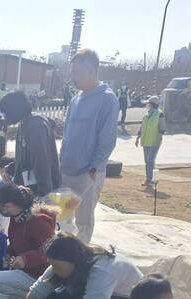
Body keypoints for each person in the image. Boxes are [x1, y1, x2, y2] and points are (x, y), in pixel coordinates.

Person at [58, 49, 119, 243]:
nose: (72, 77)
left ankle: (80, 256)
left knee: (84, 218)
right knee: (63, 215)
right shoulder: (76, 100)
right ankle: (62, 254)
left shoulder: (106, 99)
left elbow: (107, 138)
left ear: (91, 71)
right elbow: (67, 134)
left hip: (88, 172)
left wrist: (95, 166)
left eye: (76, 72)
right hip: (67, 168)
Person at [0, 184, 58, 299]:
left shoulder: (39, 221)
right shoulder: (17, 217)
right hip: (25, 271)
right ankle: (25, 298)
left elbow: (49, 251)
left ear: (8, 205)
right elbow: (15, 241)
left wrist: (25, 259)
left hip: (39, 275)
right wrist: (10, 253)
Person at [0, 91, 61, 197]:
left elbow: (41, 162)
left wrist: (42, 194)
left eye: (6, 113)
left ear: (14, 110)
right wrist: (12, 168)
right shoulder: (23, 126)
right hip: (29, 187)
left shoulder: (36, 127)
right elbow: (26, 160)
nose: (4, 117)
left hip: (40, 191)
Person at [135, 96, 165, 187]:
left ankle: (150, 180)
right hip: (146, 141)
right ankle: (150, 178)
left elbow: (162, 128)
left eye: (148, 103)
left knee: (150, 160)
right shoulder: (146, 115)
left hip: (154, 141)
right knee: (147, 161)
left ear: (153, 104)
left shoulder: (160, 114)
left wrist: (159, 139)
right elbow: (142, 127)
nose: (147, 105)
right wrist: (138, 138)